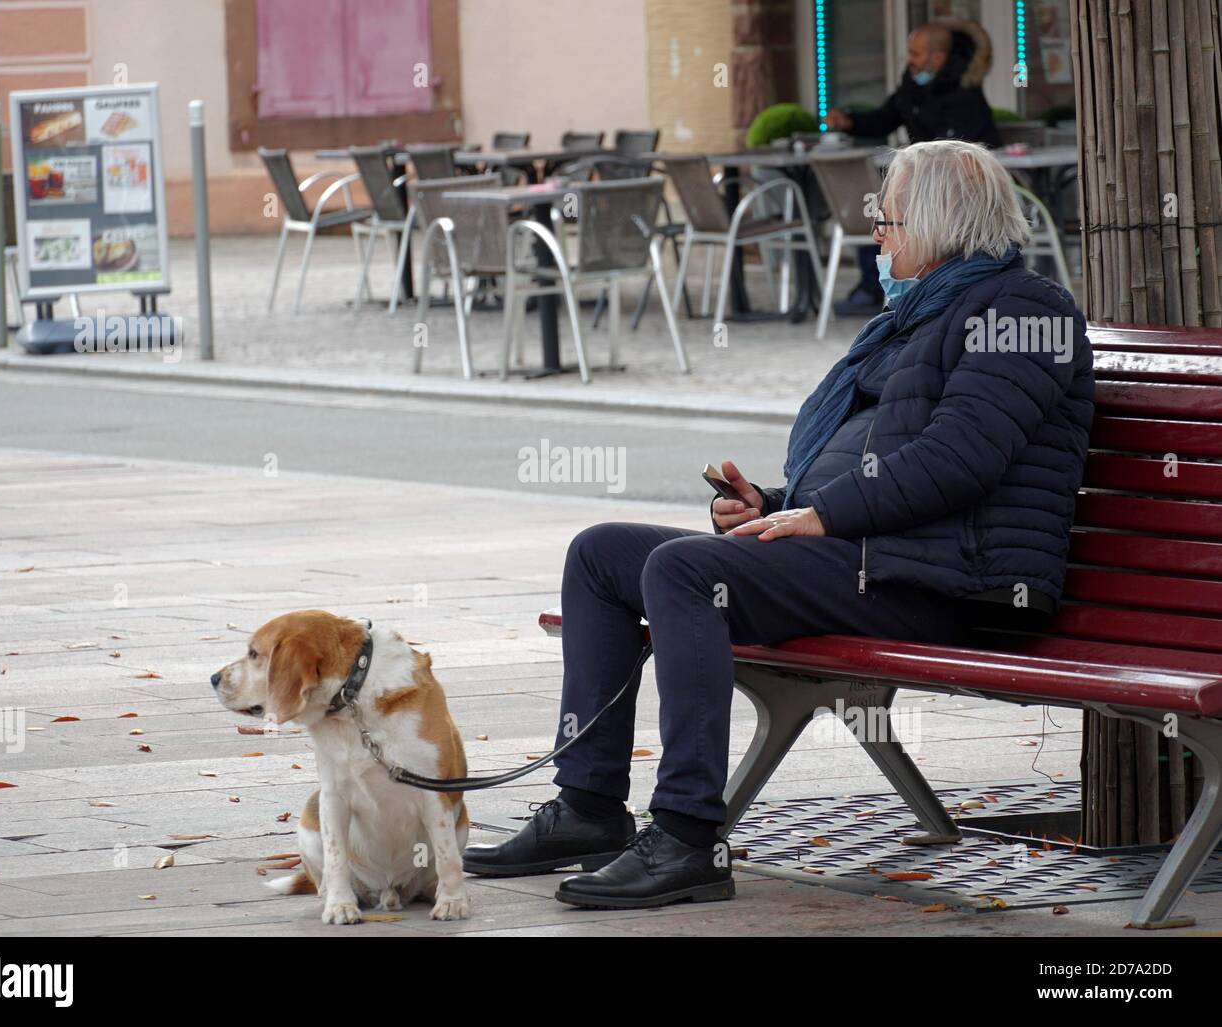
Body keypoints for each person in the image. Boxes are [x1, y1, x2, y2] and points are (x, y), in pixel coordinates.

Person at [461, 140, 1094, 910]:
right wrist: (773, 502)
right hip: (867, 555)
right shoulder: (912, 320)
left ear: (938, 222)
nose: (878, 239)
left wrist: (821, 514)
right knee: (600, 554)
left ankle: (689, 836)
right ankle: (590, 807)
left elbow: (960, 458)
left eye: (889, 222)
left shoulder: (1024, 311)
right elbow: (870, 459)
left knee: (683, 572)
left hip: (947, 581)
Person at [827, 20, 1002, 317]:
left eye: (916, 53)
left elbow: (965, 152)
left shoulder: (965, 92)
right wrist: (851, 121)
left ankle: (927, 286)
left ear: (937, 57)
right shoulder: (910, 86)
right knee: (878, 210)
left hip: (958, 192)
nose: (910, 59)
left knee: (898, 214)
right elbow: (885, 118)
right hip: (920, 183)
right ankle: (875, 287)